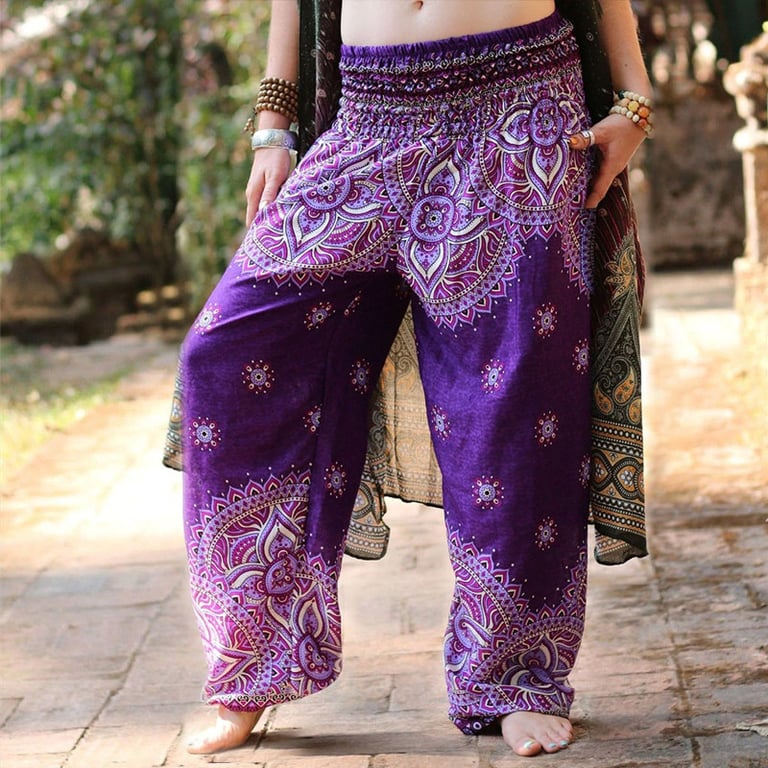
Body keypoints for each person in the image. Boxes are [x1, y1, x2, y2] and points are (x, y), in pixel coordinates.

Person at [176, 0, 652, 758]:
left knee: (515, 400)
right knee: (226, 355)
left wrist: (634, 99)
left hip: (518, 109)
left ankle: (513, 674)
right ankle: (255, 661)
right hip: (368, 118)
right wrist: (273, 128)